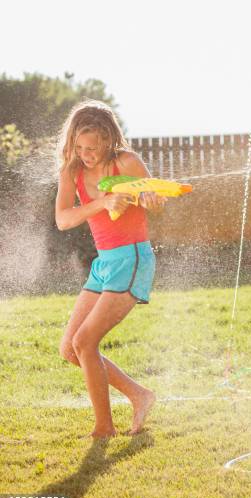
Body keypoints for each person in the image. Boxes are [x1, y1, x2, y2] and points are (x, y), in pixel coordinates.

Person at [55, 100, 165, 437]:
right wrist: (102, 202)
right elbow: (63, 219)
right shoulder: (72, 173)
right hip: (104, 263)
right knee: (70, 348)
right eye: (78, 146)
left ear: (107, 140)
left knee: (85, 342)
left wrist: (150, 199)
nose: (85, 153)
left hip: (132, 258)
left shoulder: (126, 162)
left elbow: (154, 201)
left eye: (91, 147)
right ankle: (139, 394)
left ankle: (104, 428)